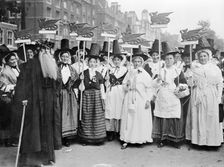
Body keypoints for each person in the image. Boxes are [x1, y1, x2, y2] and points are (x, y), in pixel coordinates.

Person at [13, 41, 59, 166]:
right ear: (39, 51)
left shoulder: (51, 64)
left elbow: (55, 85)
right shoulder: (29, 65)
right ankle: (32, 160)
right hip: (33, 102)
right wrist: (22, 98)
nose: (47, 53)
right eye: (44, 51)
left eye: (49, 51)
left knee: (46, 130)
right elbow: (22, 84)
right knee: (34, 131)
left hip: (47, 103)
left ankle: (46, 157)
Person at [186, 37, 223, 147]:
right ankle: (199, 141)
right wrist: (191, 80)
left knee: (210, 117)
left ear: (208, 56)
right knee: (198, 117)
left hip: (211, 94)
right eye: (200, 56)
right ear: (197, 57)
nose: (202, 58)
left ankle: (211, 142)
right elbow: (190, 83)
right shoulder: (194, 67)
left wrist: (218, 97)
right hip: (198, 94)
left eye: (204, 56)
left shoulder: (214, 68)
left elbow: (219, 83)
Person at [152, 43, 188, 149]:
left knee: (173, 116)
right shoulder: (160, 71)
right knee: (163, 117)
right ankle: (162, 139)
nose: (168, 60)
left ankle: (175, 140)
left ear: (174, 60)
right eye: (166, 59)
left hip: (174, 96)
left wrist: (180, 87)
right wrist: (158, 80)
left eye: (170, 58)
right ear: (164, 60)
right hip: (163, 96)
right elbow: (153, 85)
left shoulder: (178, 71)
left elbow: (184, 83)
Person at [120, 46, 153, 149]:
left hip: (140, 98)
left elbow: (149, 88)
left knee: (139, 118)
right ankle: (127, 139)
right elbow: (124, 86)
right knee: (128, 118)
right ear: (132, 62)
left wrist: (148, 100)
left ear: (142, 63)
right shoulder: (129, 73)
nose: (137, 63)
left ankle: (139, 138)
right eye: (135, 61)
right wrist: (127, 85)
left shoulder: (145, 74)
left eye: (139, 61)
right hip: (130, 97)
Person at [78, 43, 106, 145]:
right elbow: (81, 88)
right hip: (86, 96)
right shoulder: (83, 73)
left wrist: (103, 98)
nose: (92, 64)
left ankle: (98, 139)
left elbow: (102, 87)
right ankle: (86, 139)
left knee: (97, 117)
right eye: (91, 62)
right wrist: (81, 80)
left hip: (97, 97)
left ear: (97, 63)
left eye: (95, 62)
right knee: (87, 116)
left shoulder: (99, 74)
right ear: (88, 62)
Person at [105, 40, 128, 141]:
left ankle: (118, 131)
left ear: (121, 60)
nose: (116, 61)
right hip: (111, 91)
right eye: (115, 60)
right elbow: (106, 81)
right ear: (112, 60)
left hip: (120, 92)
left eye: (118, 60)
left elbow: (126, 81)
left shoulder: (125, 69)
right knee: (110, 110)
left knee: (119, 110)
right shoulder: (109, 69)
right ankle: (110, 131)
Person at [58, 50, 79, 147]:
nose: (65, 58)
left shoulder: (73, 69)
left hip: (69, 94)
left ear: (69, 58)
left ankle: (67, 138)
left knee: (69, 114)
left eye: (66, 56)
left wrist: (80, 79)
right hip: (59, 93)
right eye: (63, 56)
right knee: (59, 114)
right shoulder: (56, 68)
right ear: (60, 57)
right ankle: (58, 137)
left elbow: (76, 83)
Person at [0, 52, 19, 146]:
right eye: (12, 60)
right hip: (7, 99)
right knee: (8, 119)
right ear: (7, 61)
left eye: (15, 59)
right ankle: (7, 140)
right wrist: (14, 87)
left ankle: (14, 138)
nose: (14, 61)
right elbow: (3, 86)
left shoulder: (17, 69)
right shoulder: (5, 72)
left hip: (16, 98)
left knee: (15, 119)